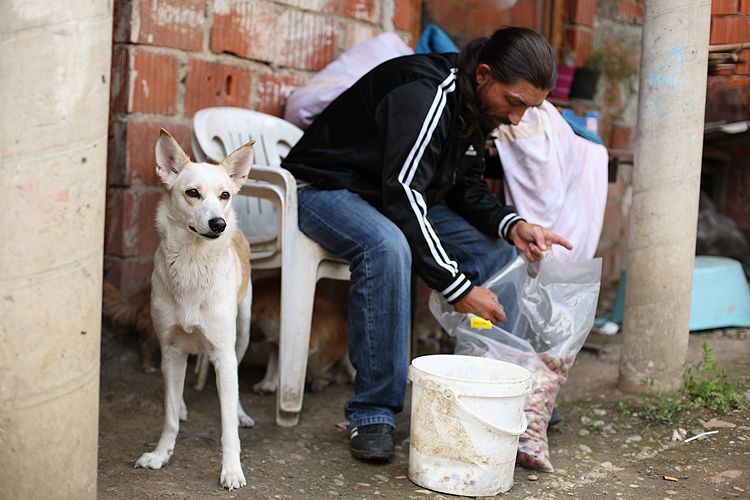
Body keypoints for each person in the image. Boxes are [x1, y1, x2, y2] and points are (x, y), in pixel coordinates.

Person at [281, 26, 572, 462]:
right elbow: (404, 192)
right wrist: (459, 290)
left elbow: (464, 186)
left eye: (528, 109)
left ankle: (508, 390)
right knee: (387, 246)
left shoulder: (479, 109)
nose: (517, 118)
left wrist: (512, 226)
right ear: (485, 75)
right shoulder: (429, 90)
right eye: (514, 103)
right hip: (324, 190)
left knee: (493, 254)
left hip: (384, 194)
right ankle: (373, 412)